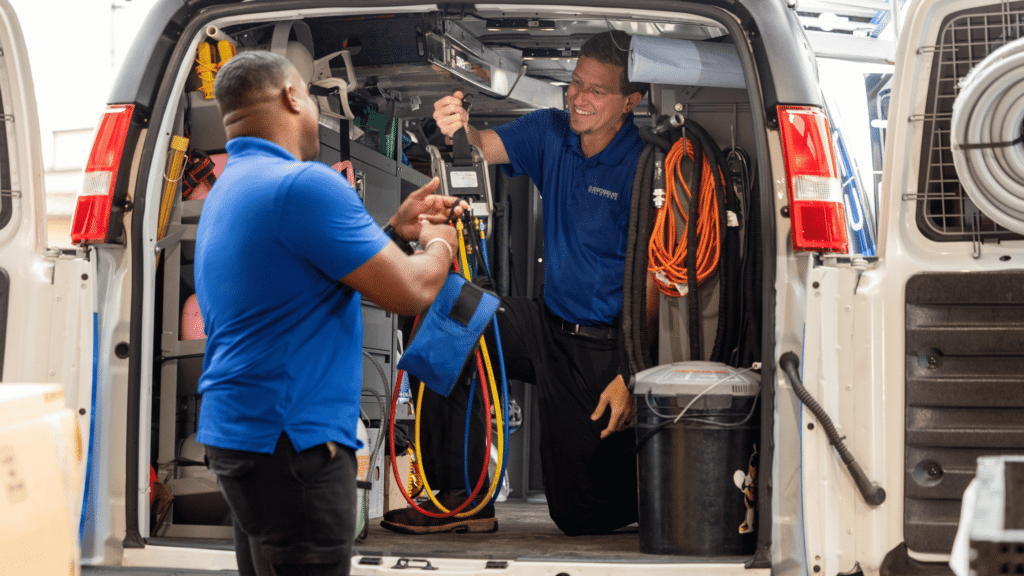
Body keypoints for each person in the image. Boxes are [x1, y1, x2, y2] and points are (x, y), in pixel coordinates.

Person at [194, 50, 464, 576]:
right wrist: (438, 245)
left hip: (243, 438)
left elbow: (306, 274)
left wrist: (393, 232)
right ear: (292, 97)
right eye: (313, 97)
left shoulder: (232, 188)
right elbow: (411, 291)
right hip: (295, 444)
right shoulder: (306, 185)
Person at [381, 30, 651, 537]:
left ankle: (654, 496)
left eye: (596, 90)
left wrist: (632, 373)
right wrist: (454, 127)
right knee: (449, 308)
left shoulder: (643, 166)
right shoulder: (552, 132)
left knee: (578, 514)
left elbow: (660, 284)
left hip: (606, 348)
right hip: (546, 326)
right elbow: (481, 147)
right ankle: (460, 497)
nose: (578, 98)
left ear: (630, 101)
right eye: (575, 84)